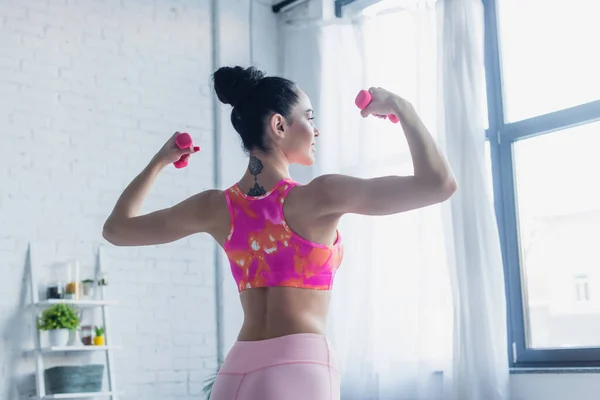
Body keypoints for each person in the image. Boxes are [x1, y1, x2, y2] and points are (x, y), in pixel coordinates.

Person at [102, 65, 456, 400]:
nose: (315, 130)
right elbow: (438, 184)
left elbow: (117, 230)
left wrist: (161, 161)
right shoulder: (321, 196)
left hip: (235, 372)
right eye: (309, 117)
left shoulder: (215, 207)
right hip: (299, 367)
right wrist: (401, 107)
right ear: (279, 125)